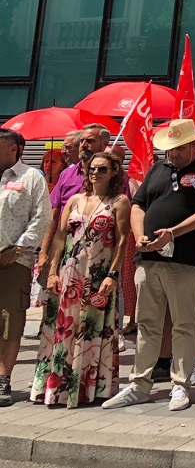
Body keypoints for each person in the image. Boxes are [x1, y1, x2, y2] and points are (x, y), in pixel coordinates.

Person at [103, 118, 195, 412]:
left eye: (180, 148)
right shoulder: (159, 168)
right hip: (149, 259)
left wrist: (174, 232)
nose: (174, 154)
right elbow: (138, 205)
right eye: (170, 148)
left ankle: (180, 385)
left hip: (184, 259)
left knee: (183, 323)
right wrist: (139, 234)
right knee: (147, 323)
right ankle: (139, 384)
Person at [32, 149, 130, 406]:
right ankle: (55, 389)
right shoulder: (75, 200)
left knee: (91, 330)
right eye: (92, 169)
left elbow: (122, 242)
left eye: (102, 169)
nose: (95, 173)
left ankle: (88, 388)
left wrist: (113, 274)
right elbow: (60, 237)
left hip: (98, 274)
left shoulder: (119, 201)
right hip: (69, 272)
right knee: (61, 327)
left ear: (114, 172)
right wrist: (52, 272)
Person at [0, 127, 51, 407]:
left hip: (12, 262)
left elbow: (42, 216)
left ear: (13, 150)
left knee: (9, 321)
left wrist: (19, 247)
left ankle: (3, 381)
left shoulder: (30, 178)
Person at [36, 130, 84, 282]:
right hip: (61, 241)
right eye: (63, 147)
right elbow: (54, 215)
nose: (64, 151)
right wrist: (44, 251)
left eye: (68, 147)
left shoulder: (107, 174)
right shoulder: (66, 175)